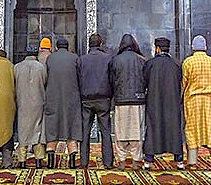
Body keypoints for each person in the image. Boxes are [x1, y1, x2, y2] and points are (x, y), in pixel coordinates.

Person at [143, 37, 184, 170]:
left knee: (152, 128)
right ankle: (179, 160)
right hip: (172, 102)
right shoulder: (176, 64)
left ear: (157, 48)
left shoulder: (150, 64)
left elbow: (145, 82)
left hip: (154, 101)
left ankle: (148, 160)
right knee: (174, 129)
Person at [182, 35, 211, 169]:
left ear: (193, 48)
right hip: (210, 100)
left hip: (193, 100)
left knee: (192, 129)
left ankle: (192, 161)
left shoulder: (188, 62)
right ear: (205, 48)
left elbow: (184, 83)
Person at [76, 33, 114, 169]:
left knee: (85, 132)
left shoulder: (81, 60)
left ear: (89, 44)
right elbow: (112, 79)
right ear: (101, 44)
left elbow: (78, 80)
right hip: (103, 99)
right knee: (105, 131)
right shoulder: (108, 58)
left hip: (86, 99)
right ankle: (108, 163)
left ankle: (84, 162)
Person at [109, 33, 147, 170]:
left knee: (121, 132)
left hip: (121, 100)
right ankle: (137, 160)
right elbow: (146, 81)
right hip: (138, 100)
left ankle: (122, 161)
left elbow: (112, 81)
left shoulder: (115, 60)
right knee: (137, 132)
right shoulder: (142, 60)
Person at [45, 38, 82, 169]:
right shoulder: (75, 58)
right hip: (72, 98)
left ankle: (50, 162)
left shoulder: (50, 59)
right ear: (68, 47)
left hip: (53, 98)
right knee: (71, 128)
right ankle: (72, 162)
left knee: (52, 128)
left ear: (56, 47)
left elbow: (46, 77)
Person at [14, 46, 47, 169]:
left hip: (22, 103)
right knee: (37, 130)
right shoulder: (41, 67)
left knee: (23, 130)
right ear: (36, 55)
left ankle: (22, 160)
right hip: (38, 103)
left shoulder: (17, 67)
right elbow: (45, 82)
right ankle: (38, 160)